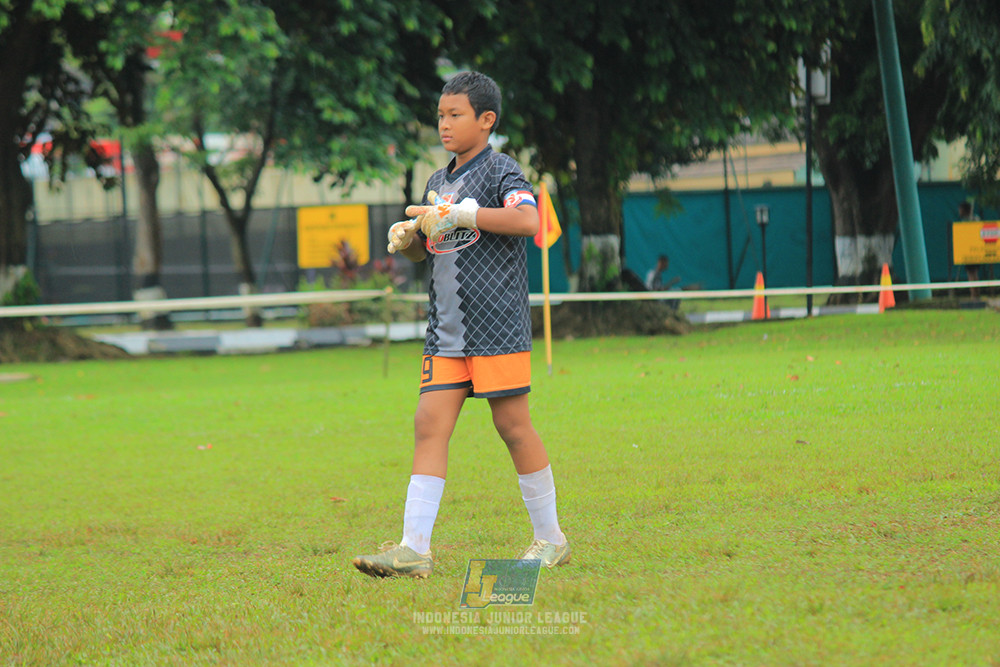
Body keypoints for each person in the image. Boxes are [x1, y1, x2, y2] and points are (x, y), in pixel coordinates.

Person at [352, 71, 570, 579]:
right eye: (440, 116)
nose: (444, 125)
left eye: (455, 115)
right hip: (445, 333)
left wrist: (468, 214)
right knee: (428, 423)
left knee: (512, 427)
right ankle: (414, 550)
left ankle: (552, 540)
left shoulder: (501, 170)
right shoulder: (436, 182)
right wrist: (410, 239)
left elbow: (527, 222)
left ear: (486, 120)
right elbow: (431, 251)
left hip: (497, 328)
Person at [958, 202, 983, 299]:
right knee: (972, 273)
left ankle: (975, 295)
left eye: (960, 209)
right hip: (967, 250)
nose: (959, 211)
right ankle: (974, 294)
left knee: (973, 273)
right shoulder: (964, 221)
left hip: (973, 251)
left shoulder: (974, 219)